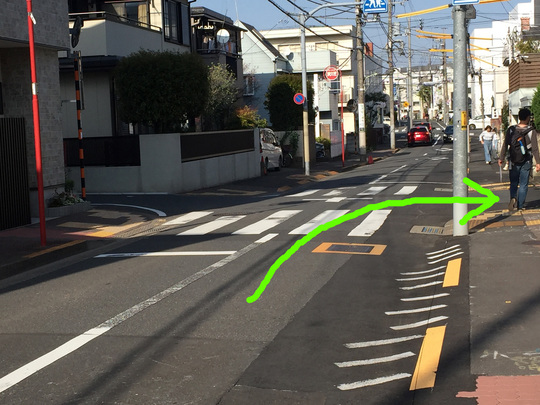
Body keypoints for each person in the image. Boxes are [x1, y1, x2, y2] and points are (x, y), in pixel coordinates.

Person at [498, 108, 540, 212]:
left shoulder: (511, 129)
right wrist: (538, 162)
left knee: (513, 182)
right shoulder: (531, 131)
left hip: (513, 160)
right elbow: (535, 148)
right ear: (527, 118)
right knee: (523, 184)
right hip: (526, 160)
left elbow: (505, 145)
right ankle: (520, 206)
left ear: (519, 117)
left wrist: (501, 157)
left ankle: (513, 197)